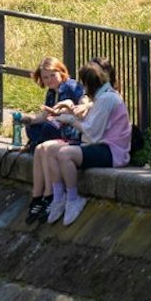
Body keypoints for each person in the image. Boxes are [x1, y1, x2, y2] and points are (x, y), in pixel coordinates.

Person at [27, 63, 131, 226]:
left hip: (111, 150)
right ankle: (58, 197)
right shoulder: (101, 98)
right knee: (50, 150)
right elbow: (91, 125)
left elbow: (91, 134)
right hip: (100, 144)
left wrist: (70, 119)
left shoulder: (107, 99)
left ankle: (73, 198)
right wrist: (67, 113)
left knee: (64, 154)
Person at [20, 58, 86, 150]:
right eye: (45, 77)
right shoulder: (51, 92)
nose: (49, 80)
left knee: (47, 128)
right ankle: (36, 144)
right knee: (31, 127)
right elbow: (45, 116)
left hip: (70, 128)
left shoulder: (72, 86)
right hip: (56, 124)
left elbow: (84, 107)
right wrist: (29, 119)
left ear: (61, 73)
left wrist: (66, 110)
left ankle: (38, 145)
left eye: (53, 75)